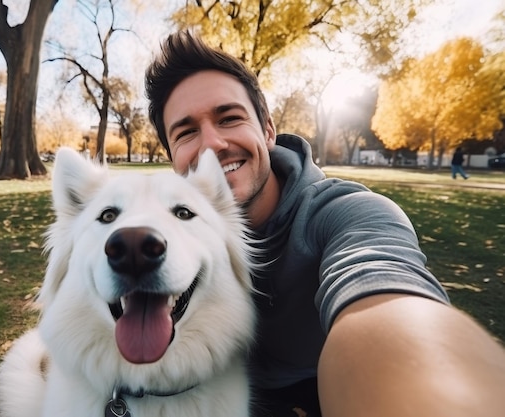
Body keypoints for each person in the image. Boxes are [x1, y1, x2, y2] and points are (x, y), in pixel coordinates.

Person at [145, 31, 505, 417]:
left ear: (267, 130)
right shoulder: (159, 235)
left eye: (229, 117)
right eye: (186, 132)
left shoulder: (347, 213)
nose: (212, 144)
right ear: (173, 158)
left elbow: (383, 296)